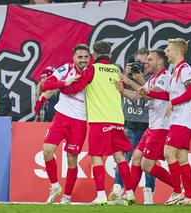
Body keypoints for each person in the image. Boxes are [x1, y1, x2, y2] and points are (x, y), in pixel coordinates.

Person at [61, 41, 136, 205]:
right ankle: (129, 193)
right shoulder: (117, 70)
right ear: (110, 54)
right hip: (117, 120)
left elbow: (76, 88)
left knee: (96, 158)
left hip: (99, 121)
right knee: (120, 157)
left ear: (94, 55)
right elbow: (122, 90)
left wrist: (62, 87)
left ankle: (101, 196)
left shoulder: (91, 69)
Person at [138, 38, 191, 206]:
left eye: (169, 50)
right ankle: (189, 196)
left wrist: (174, 102)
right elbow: (167, 95)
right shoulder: (175, 71)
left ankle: (178, 192)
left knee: (168, 153)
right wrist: (148, 92)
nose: (167, 52)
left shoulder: (185, 69)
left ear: (177, 52)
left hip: (183, 119)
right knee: (182, 157)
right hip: (178, 120)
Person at [116, 49, 173, 198]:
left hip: (161, 127)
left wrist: (129, 81)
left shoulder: (165, 77)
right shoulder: (153, 78)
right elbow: (136, 96)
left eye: (149, 60)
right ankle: (127, 196)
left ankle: (179, 187)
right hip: (152, 126)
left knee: (147, 166)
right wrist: (122, 90)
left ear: (160, 61)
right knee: (136, 158)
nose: (146, 63)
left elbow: (151, 95)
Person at [41, 44, 90, 204]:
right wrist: (64, 83)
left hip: (80, 121)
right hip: (61, 117)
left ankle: (67, 197)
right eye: (80, 57)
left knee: (72, 159)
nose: (83, 60)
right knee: (47, 151)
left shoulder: (92, 73)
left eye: (86, 57)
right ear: (74, 58)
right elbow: (46, 84)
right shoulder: (65, 69)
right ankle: (55, 186)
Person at [108, 47, 156, 205]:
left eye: (144, 63)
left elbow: (148, 95)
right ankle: (117, 191)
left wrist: (134, 79)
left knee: (148, 161)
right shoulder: (123, 75)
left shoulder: (154, 77)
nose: (141, 66)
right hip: (129, 122)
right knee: (124, 158)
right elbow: (115, 89)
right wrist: (127, 75)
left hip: (149, 124)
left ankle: (149, 192)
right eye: (137, 63)